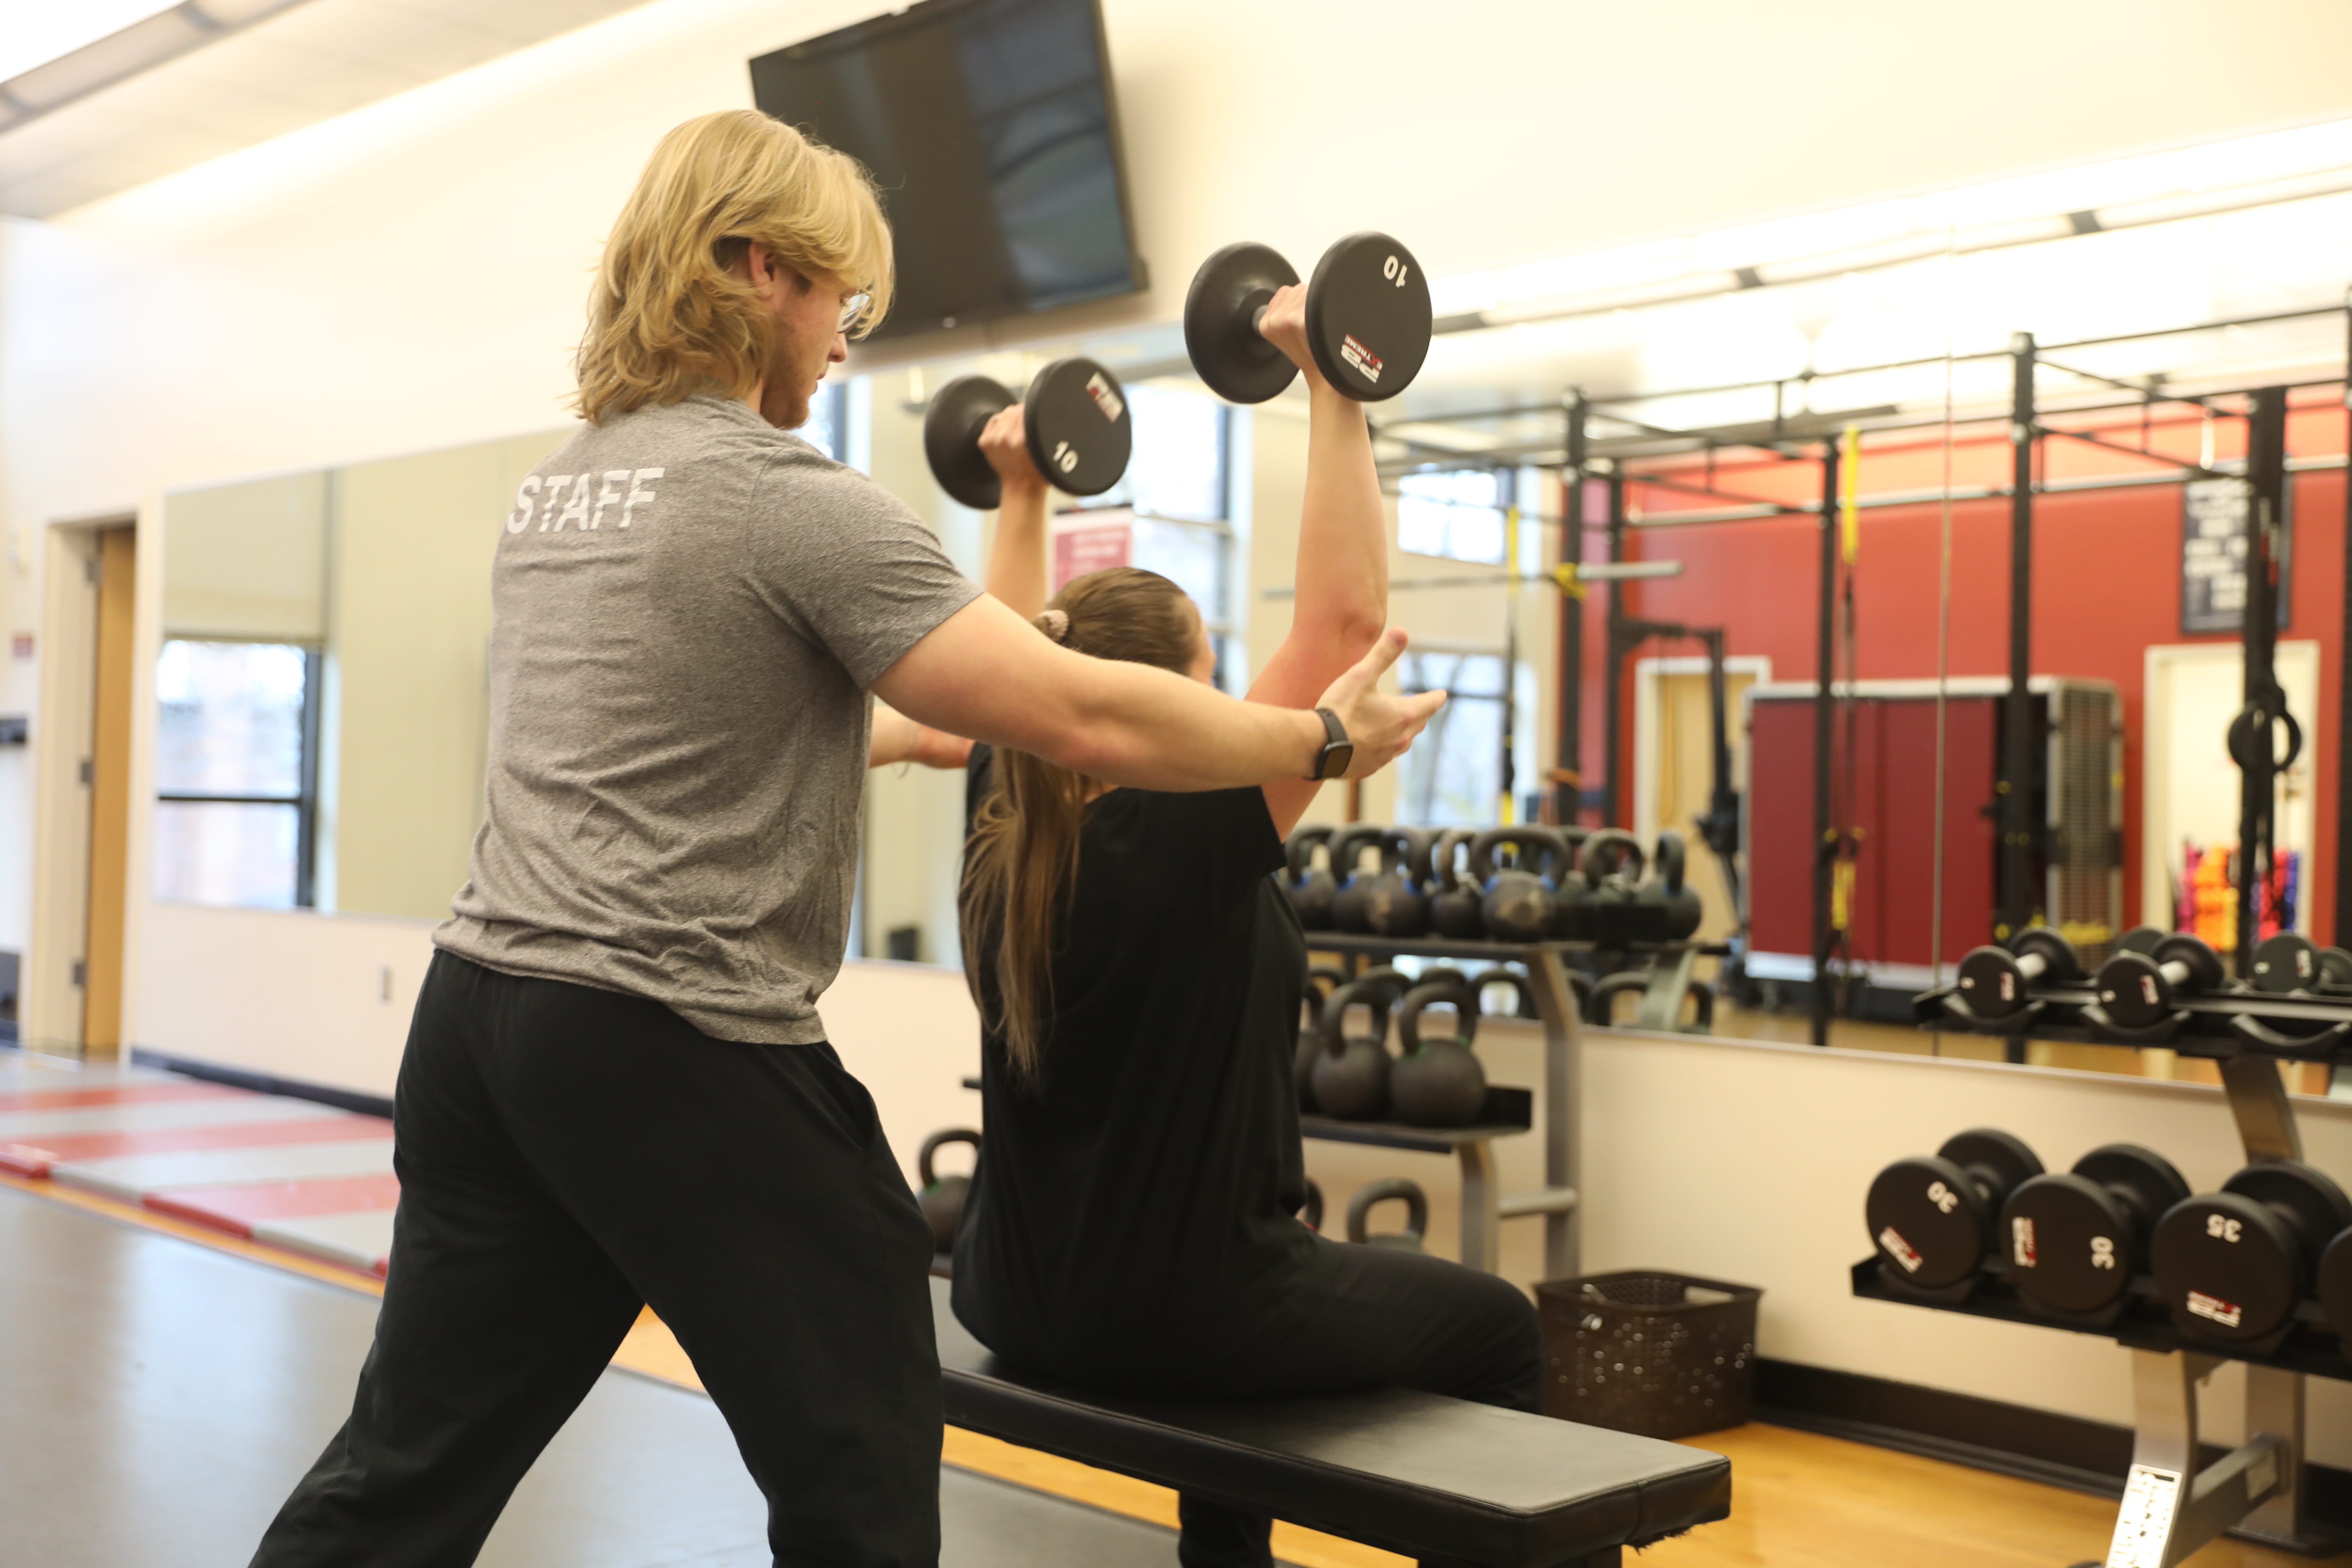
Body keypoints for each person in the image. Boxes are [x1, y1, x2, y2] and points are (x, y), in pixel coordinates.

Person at [248, 109, 1442, 1568]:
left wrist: (1019, 500)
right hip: (668, 1034)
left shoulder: (567, 486)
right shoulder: (782, 501)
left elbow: (932, 717)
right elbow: (1070, 710)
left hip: (482, 1028)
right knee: (862, 1455)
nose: (841, 345)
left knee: (409, 1466)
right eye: (840, 302)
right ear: (760, 272)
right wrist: (1319, 737)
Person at [949, 289, 1541, 1568]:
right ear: (1170, 704)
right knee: (1499, 1324)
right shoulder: (1179, 823)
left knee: (1285, 1258)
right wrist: (1336, 380)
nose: (1228, 709)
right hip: (1175, 1312)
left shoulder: (1001, 821)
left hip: (1015, 1291)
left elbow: (997, 653)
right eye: (1211, 680)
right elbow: (1338, 631)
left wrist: (1024, 490)